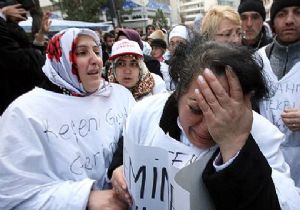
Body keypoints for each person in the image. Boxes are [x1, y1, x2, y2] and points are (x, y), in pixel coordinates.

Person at [109, 36, 300, 209]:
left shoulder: (262, 134)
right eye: (196, 109)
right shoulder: (145, 112)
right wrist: (120, 169)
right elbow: (128, 146)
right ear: (178, 92)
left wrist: (236, 147)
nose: (208, 127)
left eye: (222, 112)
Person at [0, 28, 135, 210]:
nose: (95, 59)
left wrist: (122, 165)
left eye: (96, 51)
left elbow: (136, 138)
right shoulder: (24, 113)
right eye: (81, 53)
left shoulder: (120, 96)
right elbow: (12, 197)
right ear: (60, 59)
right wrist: (84, 198)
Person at [257, 0, 300, 187]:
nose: (289, 20)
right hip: (266, 161)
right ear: (273, 21)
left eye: (297, 12)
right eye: (282, 14)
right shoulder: (257, 60)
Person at [0, 2, 50, 114]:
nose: (23, 17)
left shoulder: (13, 29)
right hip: (11, 103)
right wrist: (1, 13)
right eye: (20, 10)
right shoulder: (5, 30)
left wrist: (40, 36)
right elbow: (18, 59)